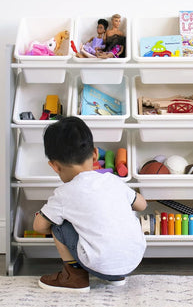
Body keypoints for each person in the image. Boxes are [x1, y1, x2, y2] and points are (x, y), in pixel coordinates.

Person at [33, 116, 147, 292]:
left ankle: (74, 277)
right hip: (133, 262)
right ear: (95, 154)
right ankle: (116, 277)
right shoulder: (113, 180)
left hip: (101, 263)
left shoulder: (64, 193)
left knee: (58, 225)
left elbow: (39, 226)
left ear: (54, 166)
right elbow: (142, 205)